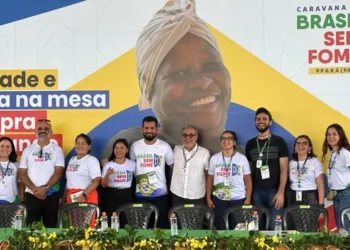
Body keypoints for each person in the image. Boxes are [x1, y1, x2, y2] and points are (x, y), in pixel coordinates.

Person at [102, 0, 245, 157]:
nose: (203, 82)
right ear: (148, 89)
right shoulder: (131, 146)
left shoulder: (245, 157)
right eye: (180, 73)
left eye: (211, 66)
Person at [245, 107, 289, 230]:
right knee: (256, 228)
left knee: (276, 228)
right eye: (258, 119)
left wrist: (281, 192)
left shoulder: (279, 142)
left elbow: (284, 169)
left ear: (270, 122)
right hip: (256, 192)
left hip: (275, 192)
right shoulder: (250, 144)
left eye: (265, 119)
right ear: (255, 122)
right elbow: (248, 171)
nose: (261, 121)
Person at [18, 119, 65, 227]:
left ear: (51, 132)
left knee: (51, 228)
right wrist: (35, 189)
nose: (42, 131)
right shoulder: (28, 150)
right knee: (31, 230)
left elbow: (58, 172)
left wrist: (45, 188)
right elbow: (22, 173)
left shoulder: (57, 149)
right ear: (35, 132)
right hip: (31, 194)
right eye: (39, 128)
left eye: (46, 128)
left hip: (51, 194)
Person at [130, 116, 174, 229]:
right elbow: (129, 166)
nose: (149, 131)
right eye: (146, 128)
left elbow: (173, 167)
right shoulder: (135, 146)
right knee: (142, 227)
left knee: (162, 226)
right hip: (141, 193)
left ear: (157, 129)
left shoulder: (164, 146)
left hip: (161, 194)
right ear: (142, 129)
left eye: (152, 128)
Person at [207, 131, 252, 230]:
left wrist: (248, 198)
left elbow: (248, 179)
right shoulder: (214, 158)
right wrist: (208, 198)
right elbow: (210, 178)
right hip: (219, 199)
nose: (226, 141)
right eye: (223, 138)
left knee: (238, 228)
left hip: (238, 198)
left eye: (229, 138)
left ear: (234, 142)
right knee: (221, 227)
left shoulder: (242, 158)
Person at [171, 125, 210, 206]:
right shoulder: (176, 150)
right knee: (177, 218)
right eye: (185, 135)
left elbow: (208, 174)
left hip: (196, 195)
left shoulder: (205, 153)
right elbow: (171, 166)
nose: (188, 138)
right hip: (177, 193)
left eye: (191, 135)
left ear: (196, 137)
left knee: (196, 218)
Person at [322, 123, 350, 232]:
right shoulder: (333, 154)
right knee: (340, 227)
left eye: (334, 134)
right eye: (328, 134)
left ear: (340, 136)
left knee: (346, 226)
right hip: (336, 194)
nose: (331, 137)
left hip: (346, 194)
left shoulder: (344, 153)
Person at [101, 138, 135, 227]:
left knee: (126, 221)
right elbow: (103, 185)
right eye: (116, 148)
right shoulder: (108, 165)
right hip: (112, 195)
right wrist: (107, 175)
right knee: (111, 221)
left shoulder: (132, 164)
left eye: (122, 148)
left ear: (127, 150)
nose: (118, 150)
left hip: (127, 195)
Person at [63, 134, 101, 205]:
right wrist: (64, 199)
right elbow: (68, 182)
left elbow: (97, 181)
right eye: (78, 143)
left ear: (89, 147)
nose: (80, 146)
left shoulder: (91, 160)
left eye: (83, 143)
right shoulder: (72, 160)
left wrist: (83, 195)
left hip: (85, 197)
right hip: (71, 197)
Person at [288, 135, 324, 206]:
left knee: (310, 217)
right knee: (292, 217)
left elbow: (320, 185)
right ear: (295, 147)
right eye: (298, 143)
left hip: (310, 196)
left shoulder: (315, 162)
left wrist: (321, 205)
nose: (300, 146)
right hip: (293, 196)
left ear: (309, 148)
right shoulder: (291, 163)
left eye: (304, 143)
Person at [0, 137, 24, 204]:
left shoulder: (16, 165)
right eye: (2, 146)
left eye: (8, 146)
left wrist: (22, 200)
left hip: (11, 202)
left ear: (11, 149)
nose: (5, 149)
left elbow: (20, 183)